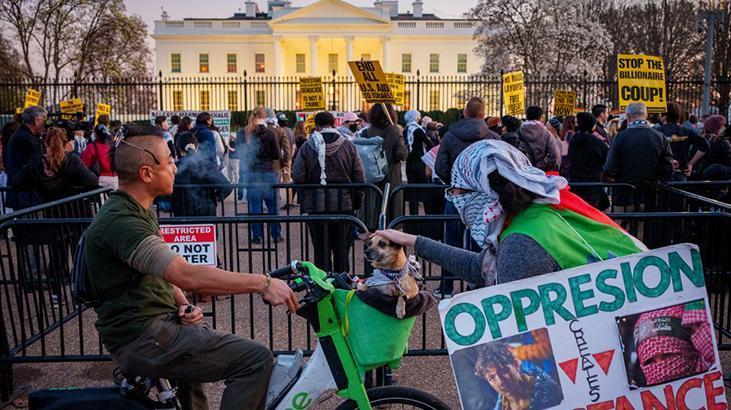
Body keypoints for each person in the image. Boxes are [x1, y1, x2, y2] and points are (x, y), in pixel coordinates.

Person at [84, 123, 297, 410]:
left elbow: (163, 274)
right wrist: (265, 282)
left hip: (154, 328)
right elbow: (184, 273)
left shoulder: (135, 209)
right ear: (146, 173)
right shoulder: (123, 221)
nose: (175, 166)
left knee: (197, 362)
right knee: (255, 359)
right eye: (169, 161)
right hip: (143, 337)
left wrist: (184, 304)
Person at [375, 139, 645, 289]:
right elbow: (479, 267)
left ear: (482, 194)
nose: (454, 200)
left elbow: (520, 329)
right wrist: (411, 240)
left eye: (456, 192)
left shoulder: (523, 241)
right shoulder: (538, 212)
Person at [435, 97, 497, 298]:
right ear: (482, 114)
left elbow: (440, 167)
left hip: (457, 195)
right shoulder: (493, 137)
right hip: (484, 197)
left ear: (465, 112)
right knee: (480, 242)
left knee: (450, 243)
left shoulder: (450, 137)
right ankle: (476, 286)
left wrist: (456, 181)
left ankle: (446, 287)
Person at [292, 111, 365, 272]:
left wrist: (306, 195)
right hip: (344, 206)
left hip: (317, 207)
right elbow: (359, 177)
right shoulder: (348, 146)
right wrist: (356, 202)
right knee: (342, 252)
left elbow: (297, 175)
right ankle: (342, 287)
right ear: (334, 124)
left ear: (316, 126)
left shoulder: (307, 147)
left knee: (321, 252)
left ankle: (324, 288)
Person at [604, 102, 674, 210]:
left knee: (620, 226)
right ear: (645, 115)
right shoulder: (660, 137)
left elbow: (609, 169)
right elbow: (668, 170)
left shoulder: (620, 137)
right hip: (649, 197)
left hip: (624, 197)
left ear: (628, 116)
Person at [12, 126, 99, 202]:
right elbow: (93, 181)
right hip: (74, 213)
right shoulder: (72, 160)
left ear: (45, 144)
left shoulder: (37, 163)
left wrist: (36, 185)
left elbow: (17, 182)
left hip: (49, 214)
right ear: (65, 144)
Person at [237, 106, 282, 244]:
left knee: (255, 207)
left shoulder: (243, 133)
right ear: (264, 116)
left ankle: (257, 236)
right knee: (273, 206)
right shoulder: (269, 133)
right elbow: (277, 155)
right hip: (268, 172)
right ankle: (276, 234)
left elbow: (239, 153)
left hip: (252, 173)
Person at [474, 343, 563, 410]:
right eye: (492, 378)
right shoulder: (501, 406)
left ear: (516, 365)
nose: (500, 381)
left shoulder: (549, 392)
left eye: (504, 371)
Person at [360, 103, 407, 225]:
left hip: (371, 178)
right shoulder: (394, 131)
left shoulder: (366, 132)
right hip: (391, 178)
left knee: (371, 217)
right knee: (391, 219)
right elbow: (402, 154)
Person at [171, 131, 233, 217]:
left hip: (181, 213)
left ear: (179, 149)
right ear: (197, 147)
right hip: (206, 212)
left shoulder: (174, 167)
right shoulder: (206, 165)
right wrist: (215, 197)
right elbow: (227, 187)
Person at [5, 106, 46, 209]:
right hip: (27, 196)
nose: (45, 124)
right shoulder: (27, 138)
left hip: (22, 193)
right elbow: (39, 164)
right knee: (31, 224)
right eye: (44, 120)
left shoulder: (20, 134)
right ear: (36, 121)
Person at [657, 102, 709, 181]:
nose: (659, 116)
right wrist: (690, 163)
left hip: (662, 174)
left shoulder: (657, 132)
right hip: (681, 174)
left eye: (661, 114)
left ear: (665, 116)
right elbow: (705, 145)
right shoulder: (686, 131)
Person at [568, 112, 609, 210]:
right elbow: (606, 160)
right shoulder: (598, 143)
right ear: (592, 126)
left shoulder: (573, 141)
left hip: (575, 182)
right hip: (593, 184)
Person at [403, 109, 435, 215]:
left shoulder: (405, 130)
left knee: (413, 192)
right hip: (420, 163)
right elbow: (429, 143)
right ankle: (427, 215)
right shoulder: (418, 130)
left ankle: (413, 216)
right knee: (425, 190)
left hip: (409, 163)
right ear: (416, 118)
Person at [518, 106, 561, 172]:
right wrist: (544, 165)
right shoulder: (546, 133)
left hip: (522, 170)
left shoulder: (518, 132)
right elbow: (555, 155)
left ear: (527, 116)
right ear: (540, 117)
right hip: (540, 171)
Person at [81, 120, 118, 189]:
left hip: (101, 180)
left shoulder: (92, 147)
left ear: (96, 135)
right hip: (116, 179)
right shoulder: (112, 145)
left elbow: (83, 165)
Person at [698, 115, 730, 180]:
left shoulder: (700, 139)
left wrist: (715, 168)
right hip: (708, 181)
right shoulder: (722, 143)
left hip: (712, 181)